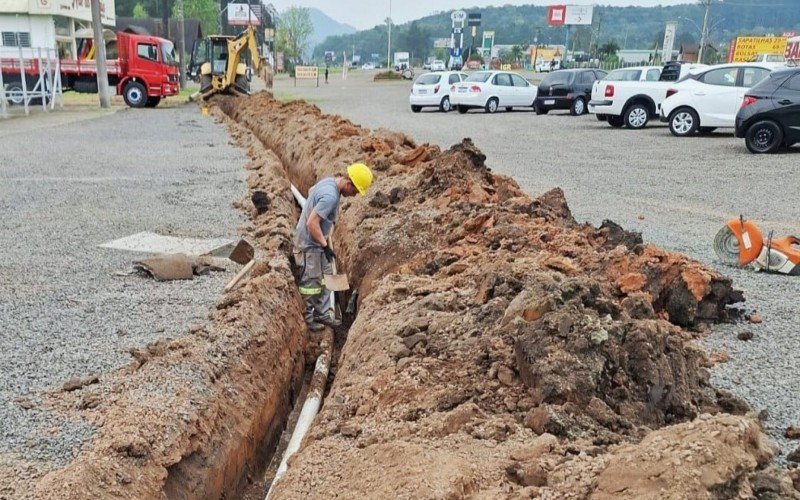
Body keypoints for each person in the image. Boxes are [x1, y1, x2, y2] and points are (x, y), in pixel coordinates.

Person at [294, 163, 373, 332]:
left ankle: (322, 313)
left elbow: (311, 191)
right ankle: (309, 319)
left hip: (318, 241)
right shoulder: (330, 196)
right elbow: (311, 223)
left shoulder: (330, 182)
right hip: (310, 244)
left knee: (327, 274)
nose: (354, 196)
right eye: (355, 192)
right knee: (311, 282)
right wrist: (325, 246)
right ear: (349, 184)